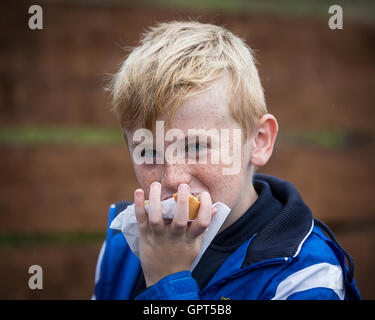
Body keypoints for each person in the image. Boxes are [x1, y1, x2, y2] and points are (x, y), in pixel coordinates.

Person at [93, 21, 360, 300]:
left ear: (259, 141)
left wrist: (167, 281)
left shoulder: (306, 276)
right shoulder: (124, 244)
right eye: (149, 152)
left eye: (196, 146)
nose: (173, 178)